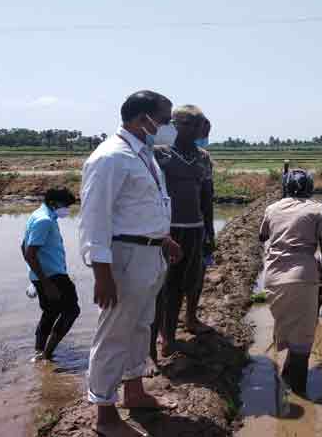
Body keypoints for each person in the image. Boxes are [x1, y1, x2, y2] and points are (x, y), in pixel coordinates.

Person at [80, 90, 182, 437]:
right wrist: (101, 273)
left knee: (141, 326)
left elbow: (139, 209)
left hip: (149, 254)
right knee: (113, 334)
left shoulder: (144, 156)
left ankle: (134, 392)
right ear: (143, 120)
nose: (169, 127)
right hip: (124, 259)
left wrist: (163, 238)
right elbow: (95, 221)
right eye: (166, 120)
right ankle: (105, 413)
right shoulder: (110, 158)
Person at [258, 169, 322, 397]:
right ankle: (301, 396)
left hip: (273, 277)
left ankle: (286, 379)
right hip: (302, 277)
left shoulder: (272, 208)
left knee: (291, 329)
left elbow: (262, 237)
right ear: (310, 188)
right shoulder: (318, 210)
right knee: (302, 341)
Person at [152, 105, 215, 359]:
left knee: (189, 281)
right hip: (168, 231)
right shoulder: (160, 155)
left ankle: (182, 325)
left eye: (200, 126)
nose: (199, 130)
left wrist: (209, 231)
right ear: (177, 125)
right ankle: (164, 337)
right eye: (194, 125)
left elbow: (207, 196)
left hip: (195, 228)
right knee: (166, 287)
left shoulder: (203, 157)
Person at [22, 187, 80, 361]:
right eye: (65, 206)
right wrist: (46, 283)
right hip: (53, 277)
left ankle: (39, 352)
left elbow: (24, 246)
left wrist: (35, 277)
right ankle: (47, 354)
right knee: (72, 311)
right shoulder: (44, 220)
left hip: (45, 275)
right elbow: (30, 252)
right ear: (54, 203)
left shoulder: (38, 215)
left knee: (51, 312)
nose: (67, 210)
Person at [196, 117, 216, 269]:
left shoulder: (203, 157)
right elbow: (207, 200)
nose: (205, 139)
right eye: (204, 134)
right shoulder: (202, 158)